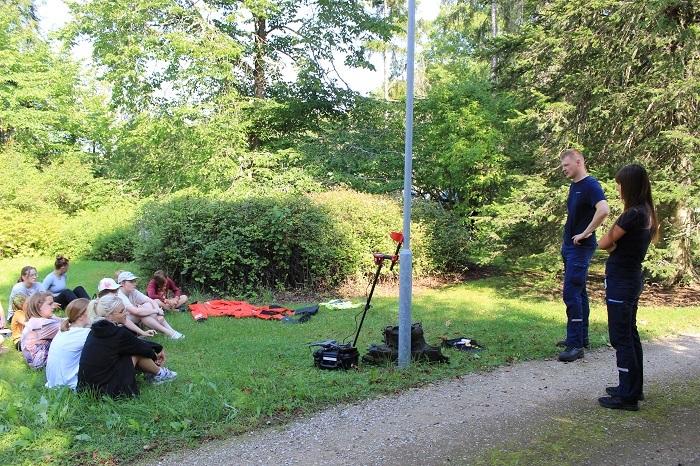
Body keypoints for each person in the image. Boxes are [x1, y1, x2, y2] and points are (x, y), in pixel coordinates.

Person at [597, 164, 658, 411]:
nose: (619, 189)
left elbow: (603, 243)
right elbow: (612, 244)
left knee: (621, 337)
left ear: (630, 185)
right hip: (631, 278)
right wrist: (615, 246)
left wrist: (613, 246)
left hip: (622, 281)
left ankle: (627, 396)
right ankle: (632, 387)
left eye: (620, 184)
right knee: (630, 335)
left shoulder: (632, 214)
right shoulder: (647, 212)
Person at [557, 149, 610, 362]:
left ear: (578, 162)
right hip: (570, 247)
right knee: (580, 293)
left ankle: (575, 345)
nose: (564, 169)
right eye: (562, 167)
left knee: (571, 294)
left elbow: (604, 209)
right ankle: (581, 337)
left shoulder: (591, 185)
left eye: (566, 166)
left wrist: (586, 232)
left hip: (580, 247)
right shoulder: (575, 186)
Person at [77, 294, 176, 398]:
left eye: (124, 309)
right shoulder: (118, 333)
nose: (126, 312)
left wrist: (156, 347)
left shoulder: (94, 331)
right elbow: (142, 348)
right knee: (135, 352)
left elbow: (133, 342)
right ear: (108, 316)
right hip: (107, 392)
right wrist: (155, 356)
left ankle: (153, 373)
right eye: (121, 311)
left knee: (129, 351)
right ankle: (161, 374)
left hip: (87, 390)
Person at [116, 271, 185, 340]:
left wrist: (159, 314)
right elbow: (136, 311)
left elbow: (151, 301)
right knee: (142, 314)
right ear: (122, 283)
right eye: (131, 282)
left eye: (134, 281)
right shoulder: (120, 295)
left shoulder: (132, 291)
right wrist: (157, 311)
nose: (134, 284)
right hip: (123, 324)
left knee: (148, 305)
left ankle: (172, 331)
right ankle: (169, 333)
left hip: (135, 320)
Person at [45, 298, 92, 389]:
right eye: (92, 311)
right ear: (81, 316)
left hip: (54, 382)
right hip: (69, 385)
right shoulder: (83, 334)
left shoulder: (65, 329)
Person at [20, 292, 65, 369]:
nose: (53, 306)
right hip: (40, 363)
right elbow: (71, 326)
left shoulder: (35, 320)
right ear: (39, 306)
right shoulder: (41, 324)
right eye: (50, 304)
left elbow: (63, 320)